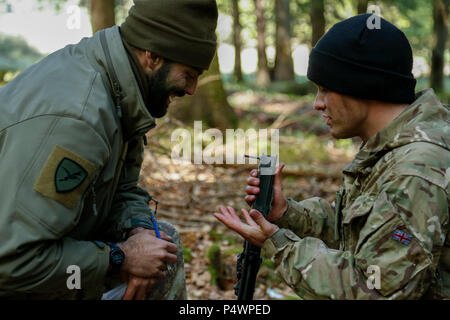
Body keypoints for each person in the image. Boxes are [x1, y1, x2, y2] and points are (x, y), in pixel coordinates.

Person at [214, 14, 449, 299]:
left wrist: (277, 243)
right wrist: (288, 214)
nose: (317, 103)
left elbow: (374, 290)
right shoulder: (391, 147)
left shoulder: (415, 170)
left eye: (326, 88)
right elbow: (362, 234)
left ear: (363, 85)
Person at [0, 0, 218, 300]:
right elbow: (13, 263)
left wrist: (139, 232)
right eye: (189, 74)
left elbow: (122, 189)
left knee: (161, 247)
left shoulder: (121, 88)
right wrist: (120, 258)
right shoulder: (79, 121)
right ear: (152, 56)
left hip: (43, 248)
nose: (192, 90)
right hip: (15, 271)